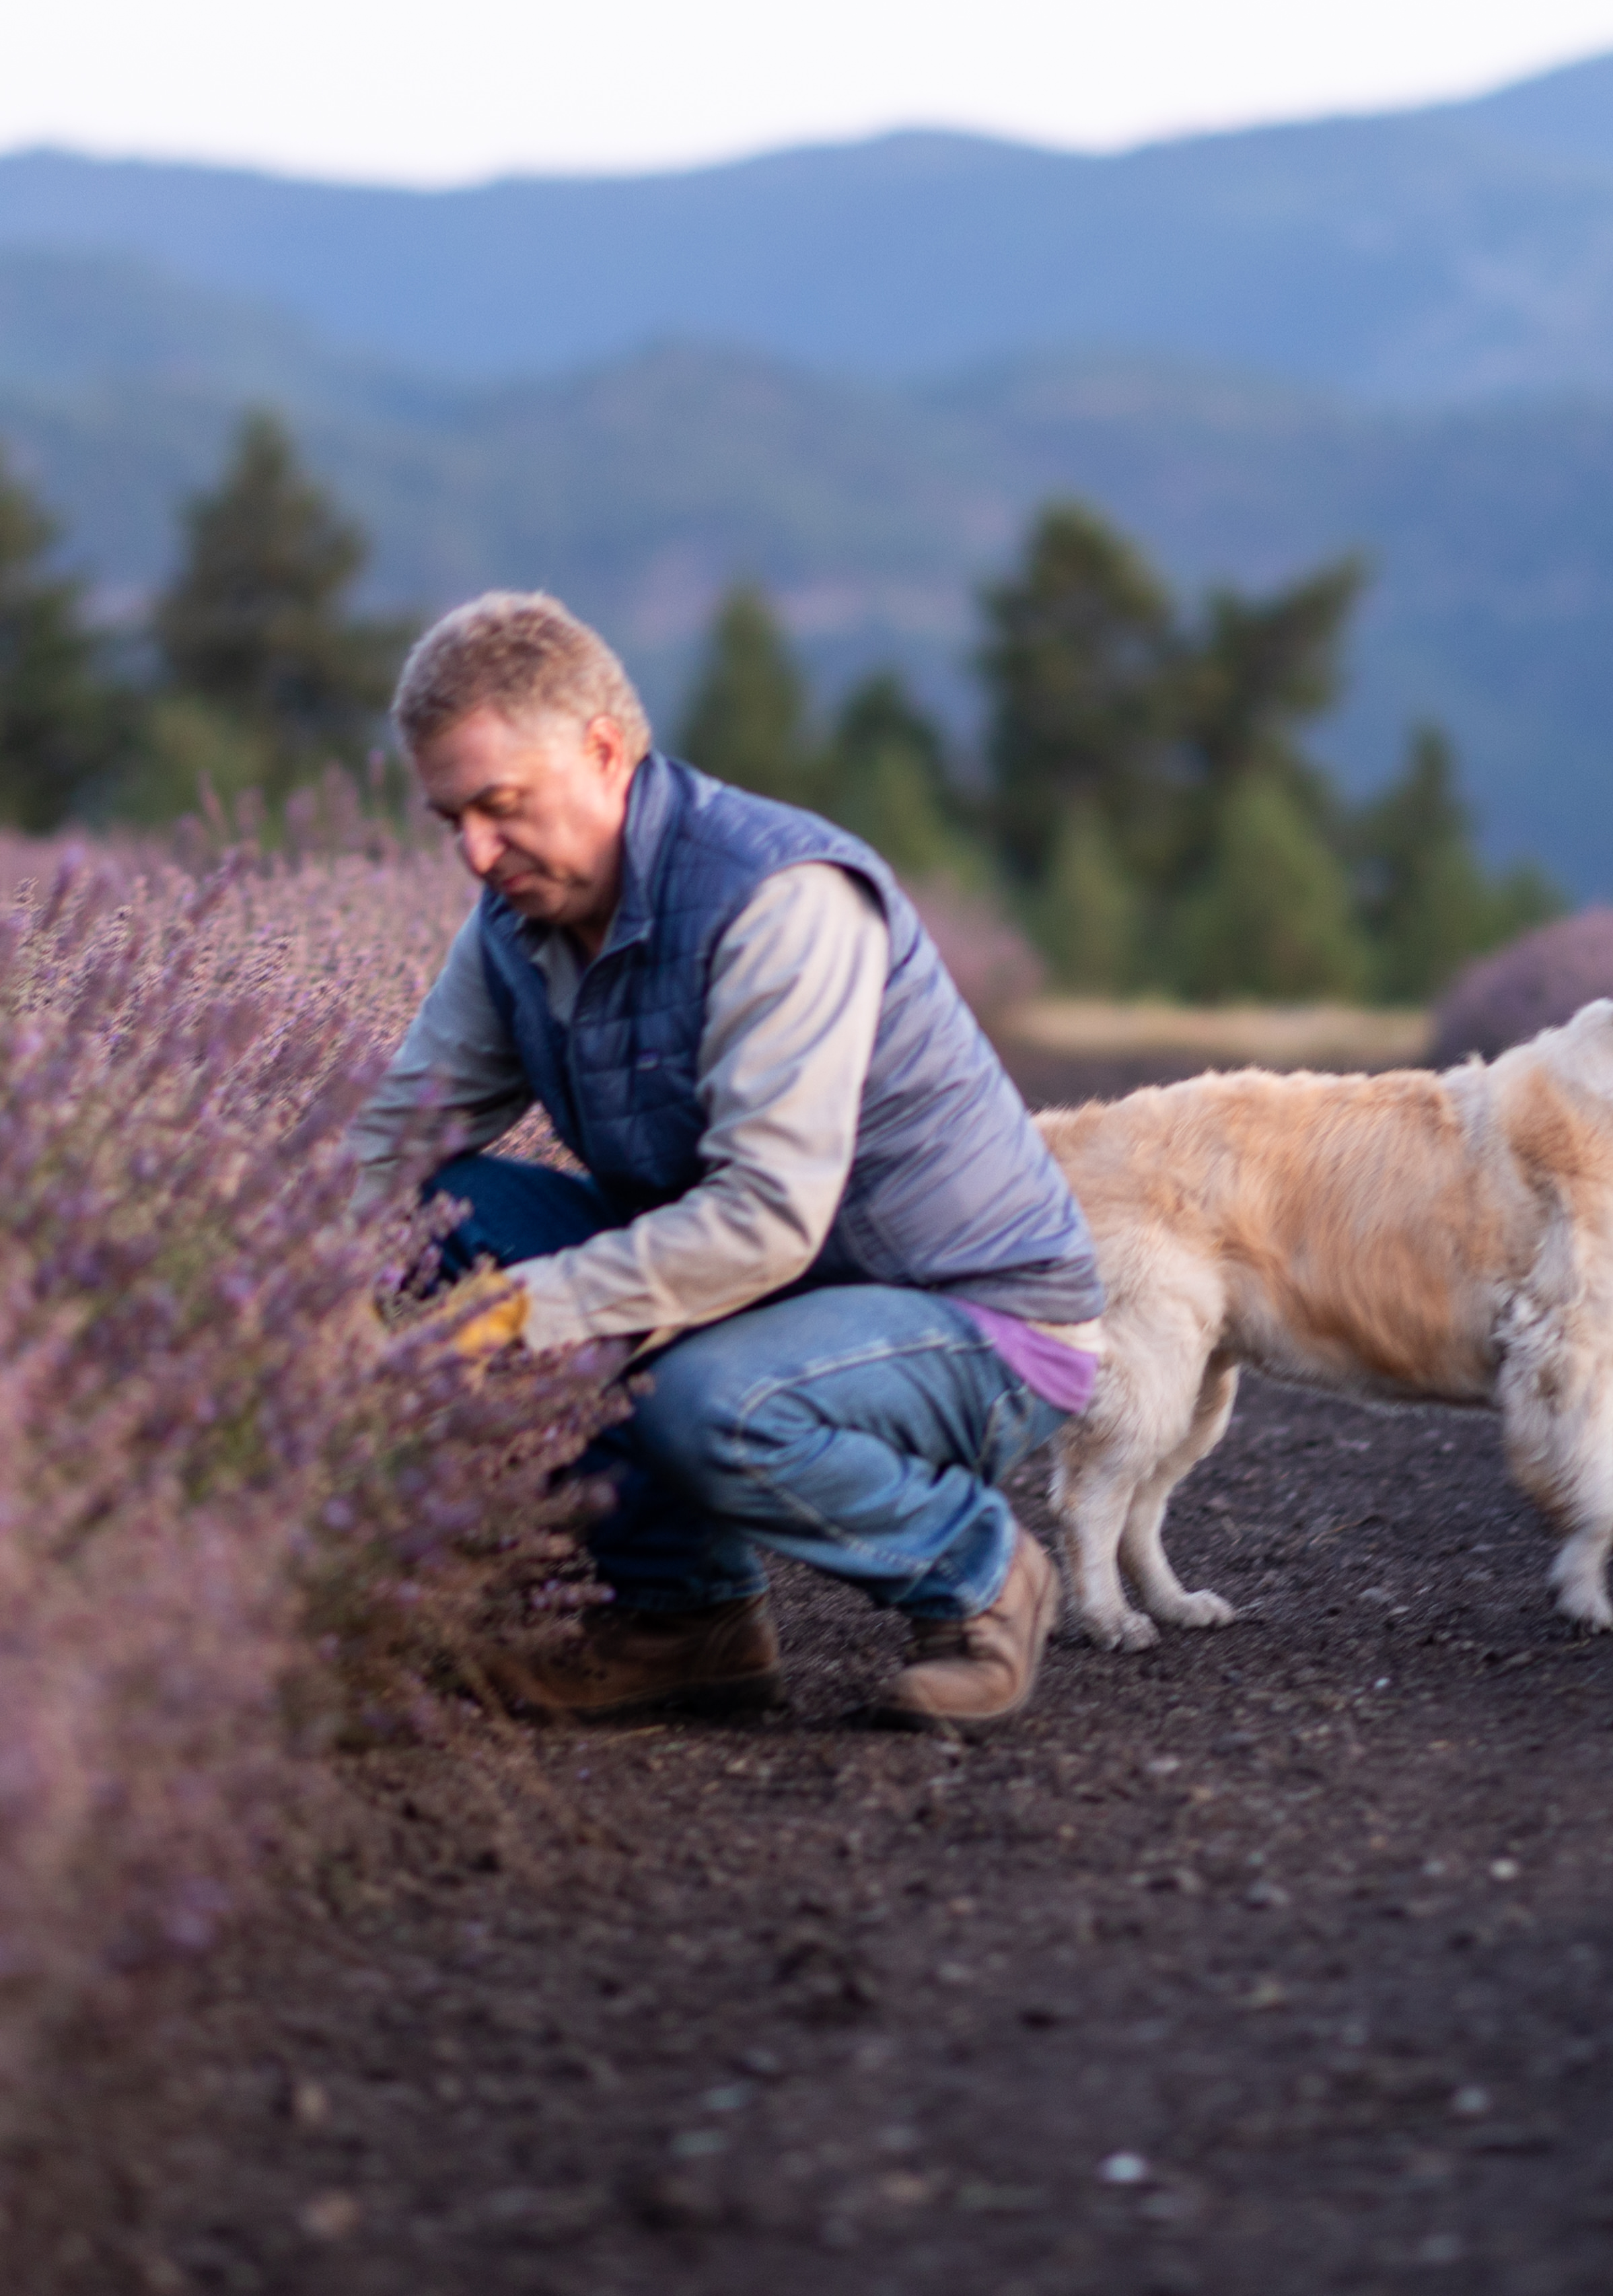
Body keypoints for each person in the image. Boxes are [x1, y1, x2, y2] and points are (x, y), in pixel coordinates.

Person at [351, 591, 1102, 1727]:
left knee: (705, 1401)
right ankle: (683, 1621)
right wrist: (297, 1280)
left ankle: (981, 1572)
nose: (474, 852)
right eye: (450, 818)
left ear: (604, 751)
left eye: (501, 807)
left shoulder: (778, 896)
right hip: (755, 1294)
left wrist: (512, 1314)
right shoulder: (513, 922)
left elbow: (764, 1220)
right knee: (425, 1213)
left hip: (976, 1317)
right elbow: (393, 1138)